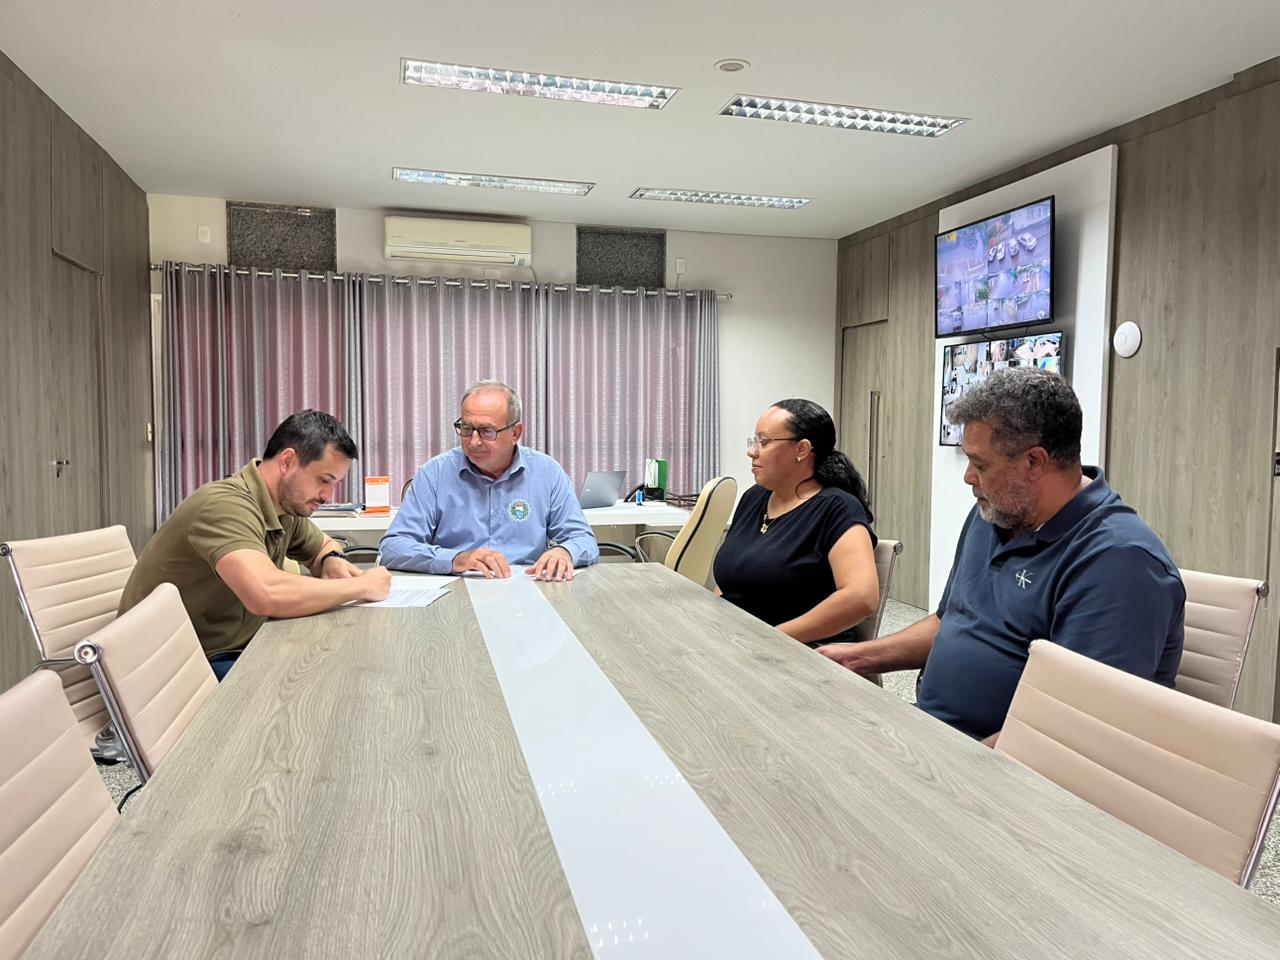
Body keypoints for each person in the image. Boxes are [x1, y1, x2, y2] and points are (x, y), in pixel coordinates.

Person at [819, 368, 1184, 743]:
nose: (968, 477)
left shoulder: (1118, 561)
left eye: (979, 464)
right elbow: (950, 622)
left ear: (1034, 462)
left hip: (1000, 764)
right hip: (933, 730)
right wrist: (855, 657)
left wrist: (938, 764)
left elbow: (1076, 733)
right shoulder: (992, 515)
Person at [119, 410, 391, 680]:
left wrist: (331, 559)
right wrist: (362, 586)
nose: (327, 495)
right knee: (318, 685)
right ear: (288, 461)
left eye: (335, 484)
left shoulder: (283, 507)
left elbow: (322, 546)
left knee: (338, 663)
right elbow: (266, 593)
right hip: (173, 666)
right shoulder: (225, 505)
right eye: (323, 480)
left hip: (234, 645)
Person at [379, 380, 599, 580]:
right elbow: (393, 547)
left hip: (527, 587)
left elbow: (583, 539)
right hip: (457, 587)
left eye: (487, 431)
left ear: (515, 433)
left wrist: (565, 551)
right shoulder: (434, 474)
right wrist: (456, 559)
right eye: (467, 429)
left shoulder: (547, 473)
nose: (474, 441)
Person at [713, 399, 879, 646]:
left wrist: (771, 638)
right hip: (738, 639)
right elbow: (728, 580)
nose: (752, 451)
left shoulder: (837, 508)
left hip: (798, 649)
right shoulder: (754, 497)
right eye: (754, 441)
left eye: (764, 442)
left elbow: (861, 598)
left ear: (802, 450)